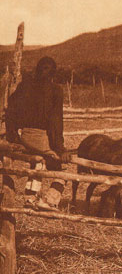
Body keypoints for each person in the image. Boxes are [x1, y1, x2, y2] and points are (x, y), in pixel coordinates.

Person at [5, 56, 72, 211]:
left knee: (39, 161)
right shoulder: (56, 90)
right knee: (61, 167)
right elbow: (56, 122)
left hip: (24, 135)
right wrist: (59, 148)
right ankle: (49, 200)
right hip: (40, 136)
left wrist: (14, 137)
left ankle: (30, 198)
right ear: (53, 74)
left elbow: (11, 112)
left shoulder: (25, 86)